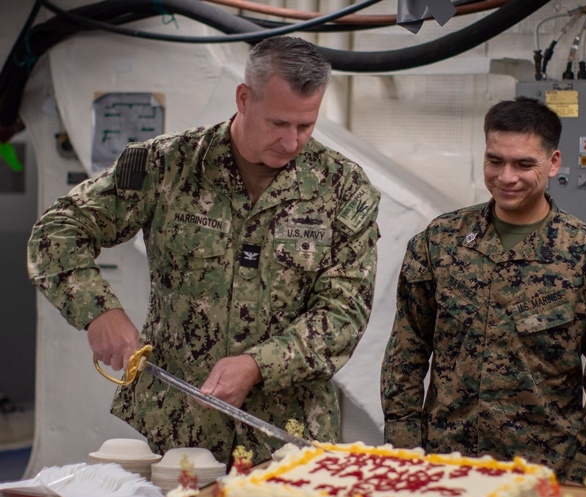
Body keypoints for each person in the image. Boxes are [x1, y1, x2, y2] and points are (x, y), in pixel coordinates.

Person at [27, 36, 381, 467]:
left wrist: (257, 364)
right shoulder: (167, 165)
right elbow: (57, 232)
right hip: (179, 427)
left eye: (305, 126)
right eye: (278, 124)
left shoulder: (343, 187)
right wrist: (99, 311)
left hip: (287, 433)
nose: (291, 142)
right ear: (244, 98)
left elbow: (344, 313)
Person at [380, 96, 586, 484]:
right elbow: (406, 353)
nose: (506, 177)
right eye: (495, 161)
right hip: (447, 468)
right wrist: (405, 451)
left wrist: (581, 478)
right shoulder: (440, 242)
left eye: (523, 164)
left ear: (553, 163)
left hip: (541, 474)